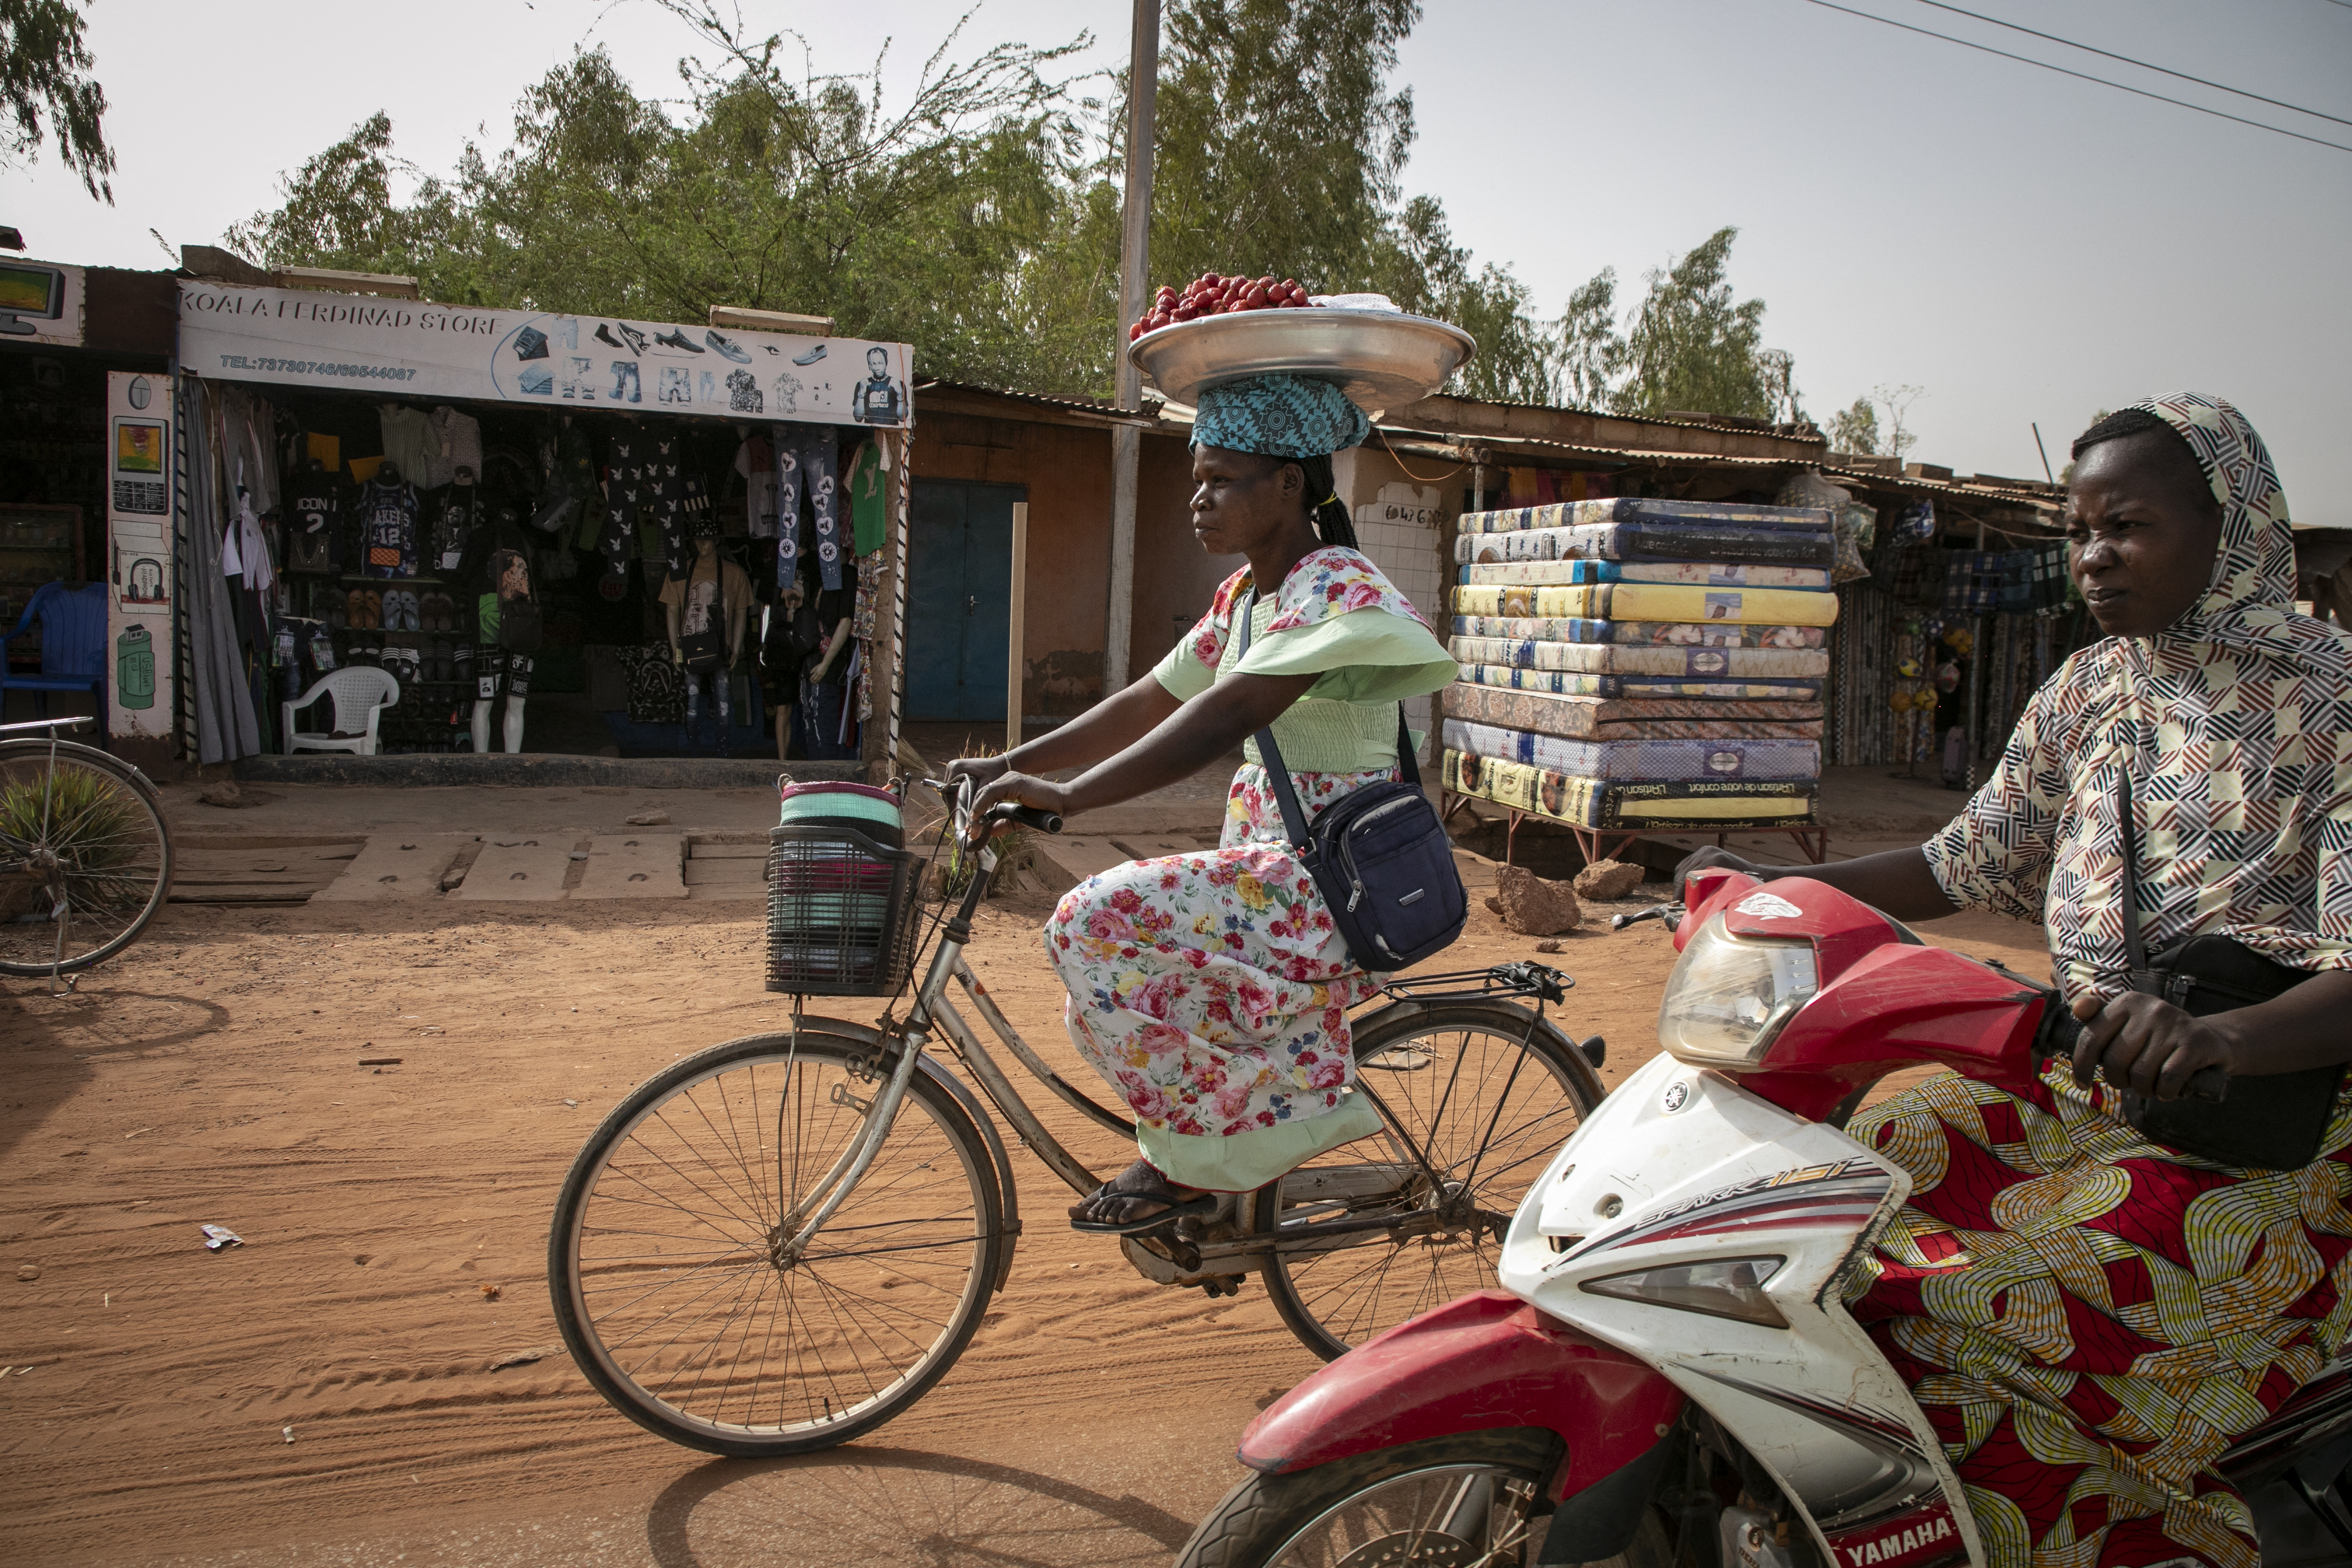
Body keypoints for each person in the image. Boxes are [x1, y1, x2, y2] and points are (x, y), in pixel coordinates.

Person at [1679, 394, 2352, 1568]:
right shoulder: (2090, 688)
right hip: (2078, 1081)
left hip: (2271, 1136)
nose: (2093, 556)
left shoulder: (2334, 702)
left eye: (2126, 526)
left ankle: (2152, 1534)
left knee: (1963, 1304)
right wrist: (1774, 887)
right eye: (2079, 530)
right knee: (1831, 1199)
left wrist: (2225, 1039)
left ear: (2231, 525)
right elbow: (1964, 860)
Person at [950, 374, 1456, 1234]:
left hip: (1325, 885)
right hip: (1266, 874)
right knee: (1108, 998)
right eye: (1197, 480)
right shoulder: (1245, 598)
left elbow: (1224, 714)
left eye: (1221, 479)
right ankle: (1226, 1154)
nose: (1199, 499)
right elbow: (1151, 698)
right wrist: (1009, 762)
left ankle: (1217, 1153)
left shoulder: (1337, 589)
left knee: (1087, 925)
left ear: (1288, 483)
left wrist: (1067, 796)